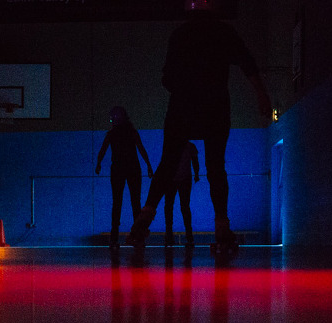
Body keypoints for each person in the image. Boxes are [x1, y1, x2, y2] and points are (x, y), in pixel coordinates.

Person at [125, 0, 271, 247]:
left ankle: (143, 220)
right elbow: (247, 62)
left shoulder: (179, 34)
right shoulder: (223, 32)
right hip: (215, 106)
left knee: (167, 163)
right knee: (216, 167)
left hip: (181, 107)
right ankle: (222, 228)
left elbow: (167, 77)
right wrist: (261, 94)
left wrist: (183, 89)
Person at [95, 106, 154, 250]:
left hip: (119, 170)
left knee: (118, 203)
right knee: (135, 203)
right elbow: (140, 148)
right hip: (133, 168)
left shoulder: (112, 134)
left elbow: (103, 150)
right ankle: (138, 237)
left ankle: (115, 239)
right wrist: (148, 164)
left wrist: (99, 163)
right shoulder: (131, 132)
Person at [164, 141, 200, 247]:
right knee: (184, 207)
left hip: (172, 179)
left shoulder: (171, 145)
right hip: (185, 179)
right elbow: (195, 161)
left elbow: (166, 162)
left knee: (169, 206)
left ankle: (169, 236)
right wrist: (196, 173)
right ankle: (189, 236)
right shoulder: (190, 146)